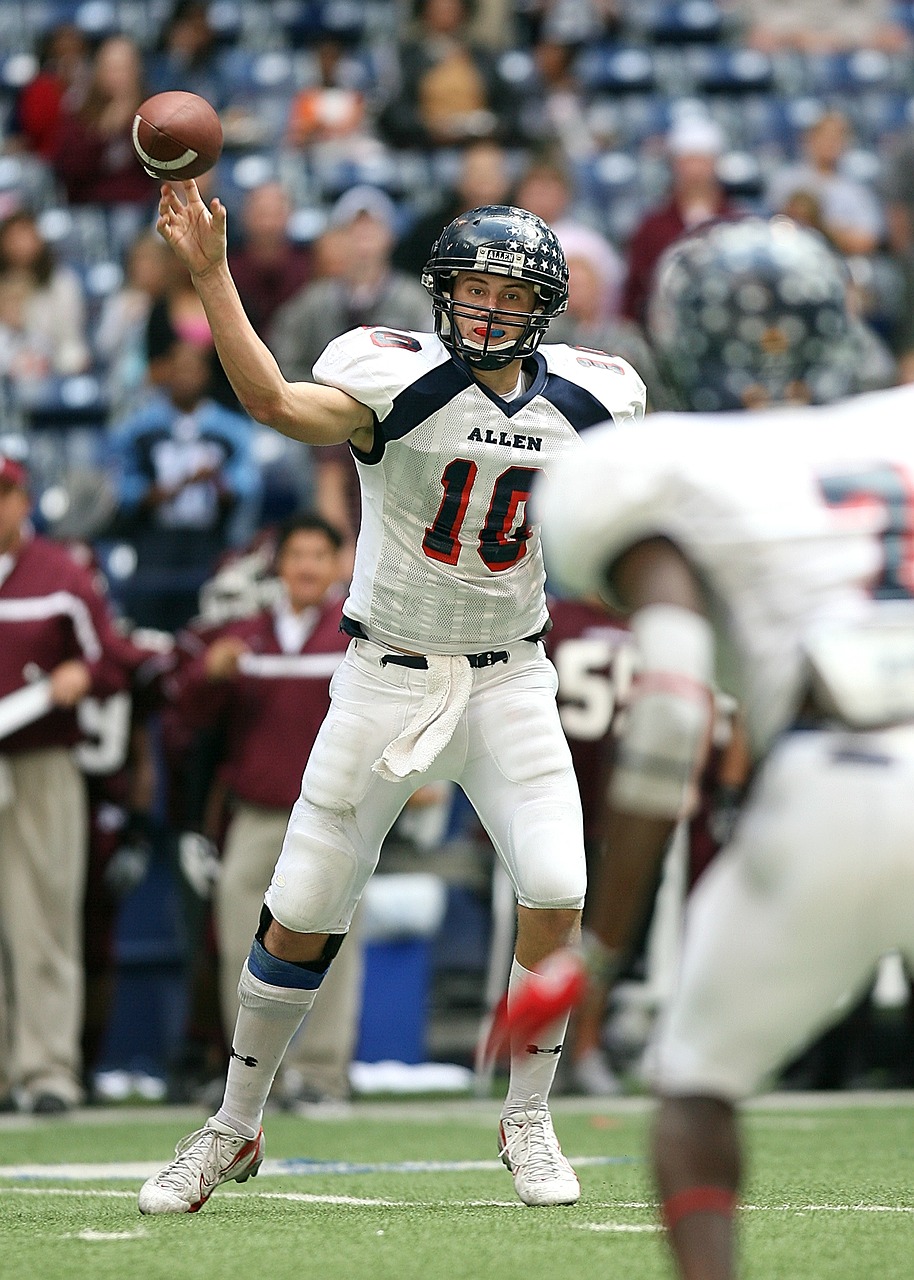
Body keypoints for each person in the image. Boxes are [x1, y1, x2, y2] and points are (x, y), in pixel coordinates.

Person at [137, 183, 646, 1214]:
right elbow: (277, 405)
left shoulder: (596, 397)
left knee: (556, 886)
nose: (487, 308)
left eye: (509, 292)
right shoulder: (397, 377)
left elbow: (633, 507)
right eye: (470, 287)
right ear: (440, 292)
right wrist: (209, 272)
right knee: (303, 906)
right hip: (384, 675)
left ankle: (527, 1115)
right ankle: (233, 1122)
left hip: (511, 676)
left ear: (544, 307)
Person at [534, 215, 914, 1279]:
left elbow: (663, 712)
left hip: (833, 783)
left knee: (696, 1078)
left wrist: (595, 957)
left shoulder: (661, 463)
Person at [173, 513, 357, 1106]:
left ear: (336, 566)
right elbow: (188, 714)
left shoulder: (357, 635)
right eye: (296, 554)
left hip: (336, 811)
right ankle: (248, 1076)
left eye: (318, 556)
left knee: (332, 940)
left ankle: (320, 1072)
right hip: (255, 813)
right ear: (278, 565)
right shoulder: (245, 635)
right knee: (239, 940)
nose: (306, 567)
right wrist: (210, 673)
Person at [0, 451, 132, 1112]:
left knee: (43, 915)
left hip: (40, 760)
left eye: (4, 495)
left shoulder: (58, 574)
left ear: (23, 502)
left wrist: (82, 678)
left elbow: (111, 657)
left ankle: (47, 1068)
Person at [106, 337, 263, 631]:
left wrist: (216, 480)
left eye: (192, 369)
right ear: (165, 373)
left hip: (210, 540)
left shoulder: (231, 429)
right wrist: (156, 493)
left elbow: (247, 485)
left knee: (207, 622)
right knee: (148, 625)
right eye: (178, 369)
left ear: (206, 374)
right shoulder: (140, 428)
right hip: (156, 540)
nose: (184, 377)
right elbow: (120, 484)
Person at [621, 113, 740, 327]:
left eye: (701, 161)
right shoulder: (652, 227)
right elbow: (635, 293)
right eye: (687, 161)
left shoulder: (736, 224)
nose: (694, 171)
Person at [50, 34, 157, 207]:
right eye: (111, 69)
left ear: (136, 71)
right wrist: (104, 132)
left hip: (139, 206)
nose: (117, 77)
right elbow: (69, 169)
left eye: (123, 69)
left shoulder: (153, 113)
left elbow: (158, 170)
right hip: (89, 206)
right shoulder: (80, 112)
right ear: (98, 71)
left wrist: (132, 126)